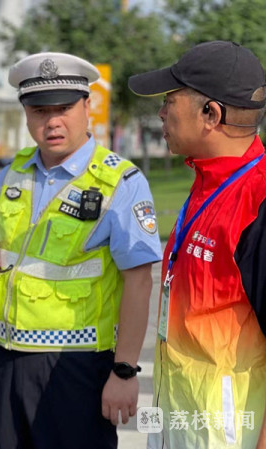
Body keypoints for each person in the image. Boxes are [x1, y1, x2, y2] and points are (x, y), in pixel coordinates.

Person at [0, 52, 163, 448]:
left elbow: (138, 282)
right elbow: (5, 252)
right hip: (7, 358)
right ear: (25, 114)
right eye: (39, 111)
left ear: (87, 106)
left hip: (77, 363)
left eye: (64, 108)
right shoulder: (12, 173)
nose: (52, 121)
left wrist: (124, 370)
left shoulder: (120, 181)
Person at [129, 40, 266, 449]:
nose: (161, 113)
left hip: (228, 432)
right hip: (178, 417)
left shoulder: (258, 199)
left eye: (169, 100)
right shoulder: (208, 182)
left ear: (211, 114)